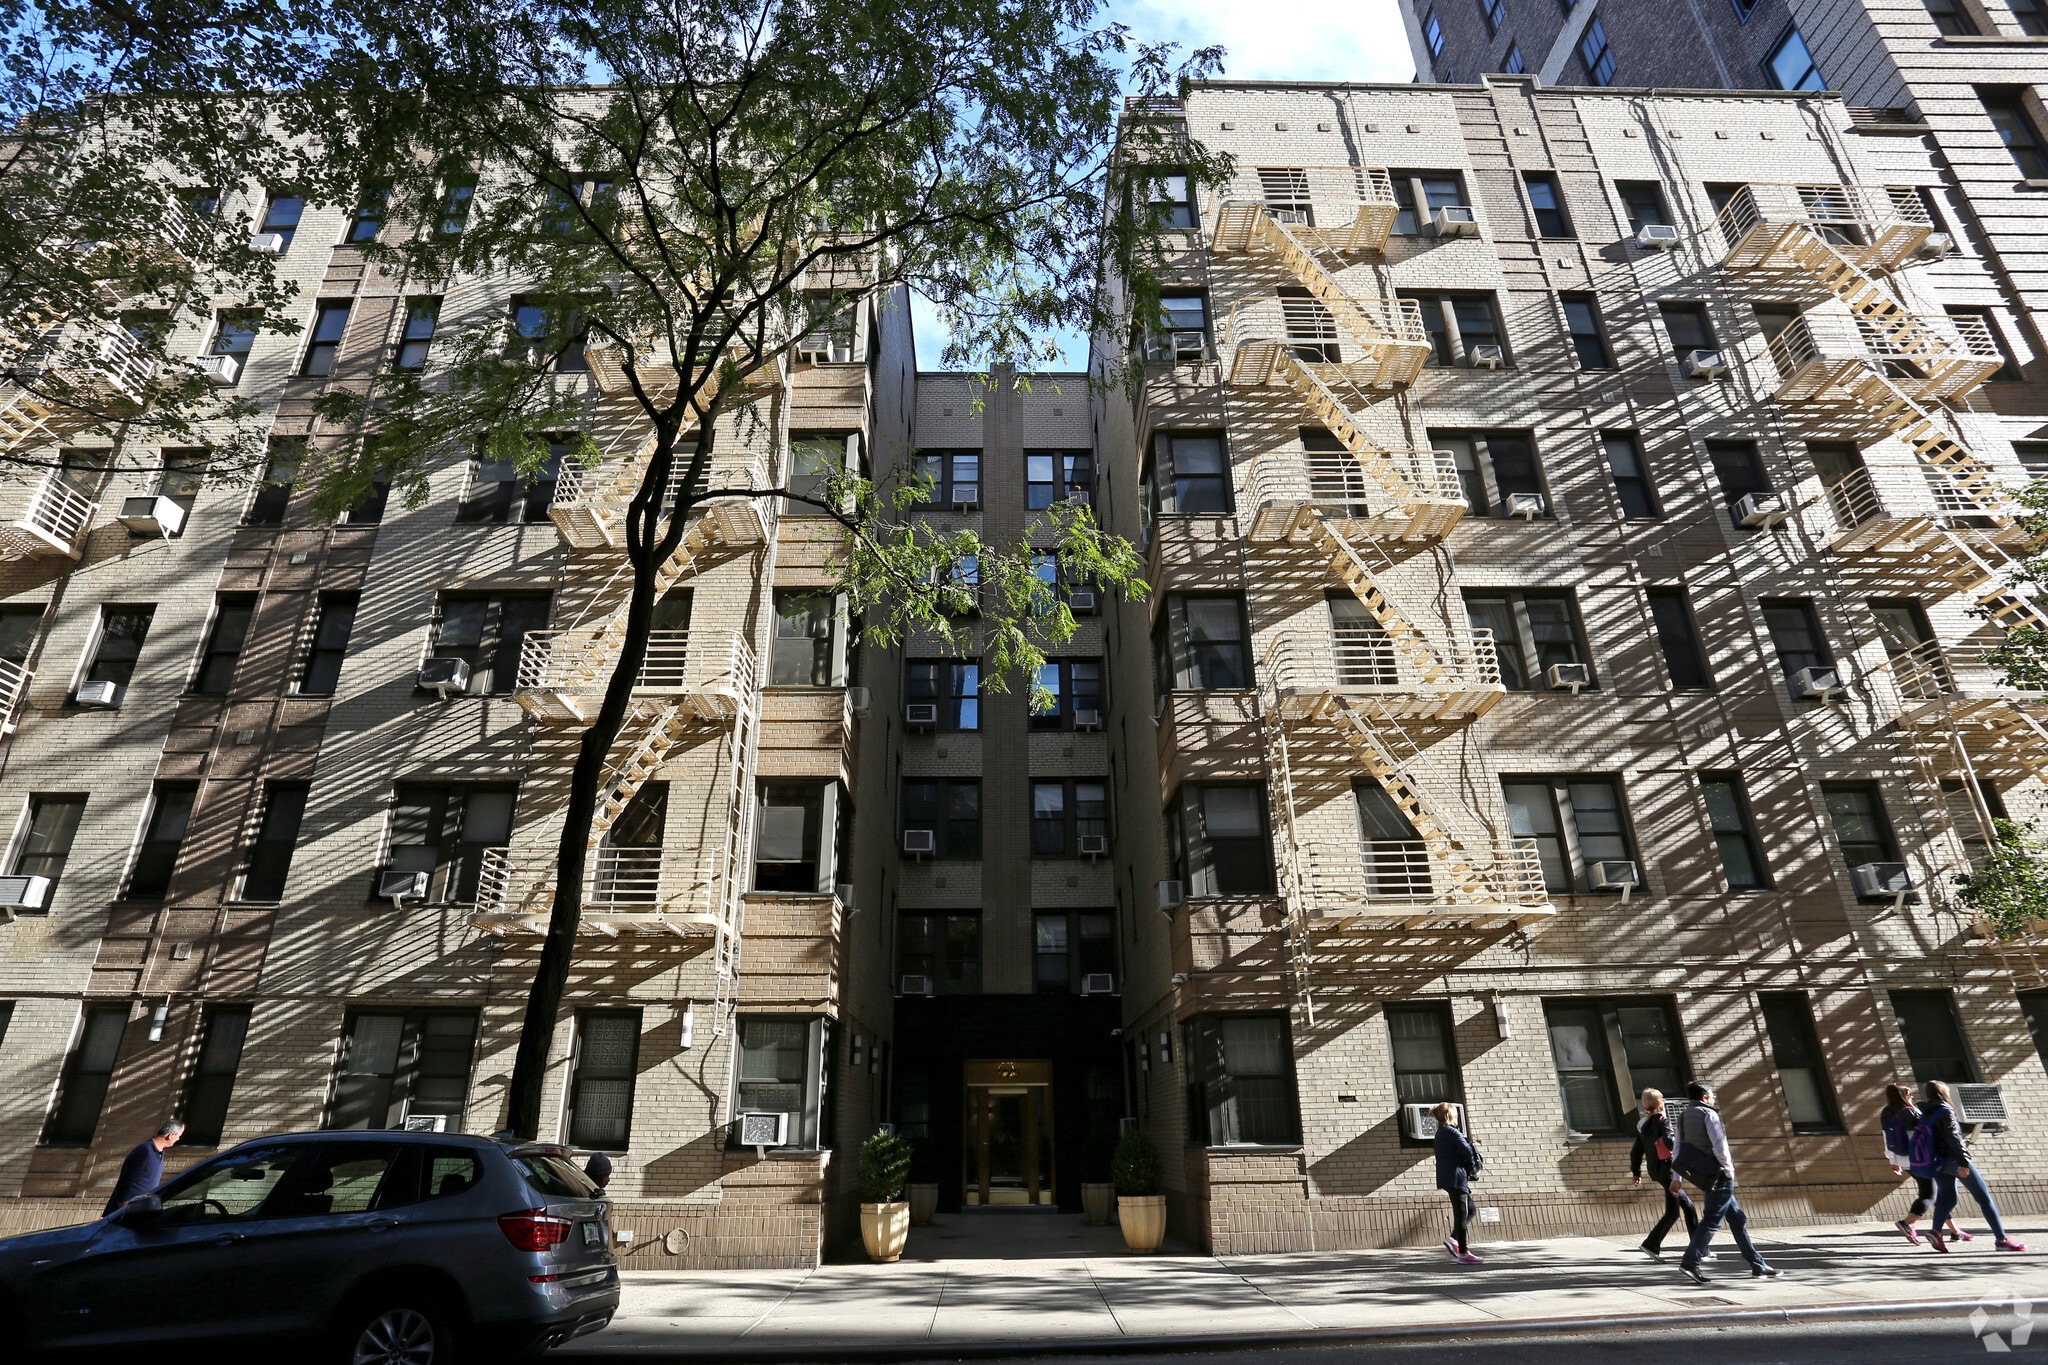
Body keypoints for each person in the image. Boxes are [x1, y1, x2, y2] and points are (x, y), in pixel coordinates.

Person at [1671, 1081, 1779, 1284]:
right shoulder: (1709, 1114)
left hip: (1704, 1175)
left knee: (1737, 1219)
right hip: (1719, 1175)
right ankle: (1690, 1262)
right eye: (1712, 1095)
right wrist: (1729, 1171)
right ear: (1704, 1097)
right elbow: (1720, 1146)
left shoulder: (1683, 1116)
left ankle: (1758, 1264)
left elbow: (1677, 1149)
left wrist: (1677, 1178)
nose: (1713, 1099)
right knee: (1712, 1220)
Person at [1920, 1079, 2026, 1253]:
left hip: (1938, 1162)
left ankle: (1936, 1231)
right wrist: (1963, 1162)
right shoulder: (1946, 1110)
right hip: (1955, 1160)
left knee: (1948, 1198)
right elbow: (1954, 1138)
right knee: (1983, 1198)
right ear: (1943, 1093)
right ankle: (2001, 1240)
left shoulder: (1925, 1113)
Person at [1882, 1081, 1963, 1246]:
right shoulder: (1911, 1112)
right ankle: (1907, 1222)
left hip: (1903, 1160)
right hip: (1921, 1159)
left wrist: (1893, 1161)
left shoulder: (1886, 1112)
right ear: (1903, 1094)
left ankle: (1955, 1231)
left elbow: (1887, 1138)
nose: (1912, 1095)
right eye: (1908, 1092)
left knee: (1935, 1193)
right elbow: (1924, 1135)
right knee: (1930, 1195)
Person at [1630, 1088, 1697, 1260]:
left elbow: (1636, 1151)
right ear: (1658, 1102)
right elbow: (1669, 1141)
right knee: (1675, 1212)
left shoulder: (1642, 1125)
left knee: (1687, 1206)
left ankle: (1698, 1247)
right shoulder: (1662, 1120)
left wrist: (1637, 1172)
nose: (1664, 1101)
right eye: (1662, 1098)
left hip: (1656, 1170)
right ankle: (1651, 1245)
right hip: (1668, 1170)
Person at [1432, 1102, 1483, 1265]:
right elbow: (1467, 1151)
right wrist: (1473, 1162)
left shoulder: (1440, 1133)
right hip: (1456, 1177)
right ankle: (1463, 1252)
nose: (1458, 1117)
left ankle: (1453, 1239)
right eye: (1456, 1114)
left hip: (1447, 1177)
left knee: (1471, 1210)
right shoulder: (1452, 1132)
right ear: (1450, 1116)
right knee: (1461, 1214)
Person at [102, 1120, 183, 1216]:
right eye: (179, 1136)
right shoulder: (144, 1151)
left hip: (141, 1211)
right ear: (170, 1135)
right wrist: (123, 1209)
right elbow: (126, 1181)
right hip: (126, 1213)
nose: (178, 1139)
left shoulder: (159, 1153)